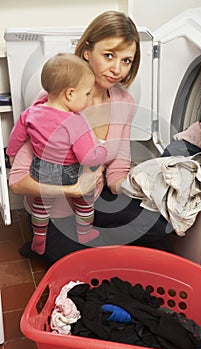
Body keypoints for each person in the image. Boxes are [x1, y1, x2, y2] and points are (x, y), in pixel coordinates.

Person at [8, 10, 175, 266]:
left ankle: (103, 246)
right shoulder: (54, 101)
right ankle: (47, 244)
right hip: (55, 206)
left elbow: (117, 166)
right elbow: (19, 178)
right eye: (109, 55)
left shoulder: (123, 103)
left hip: (93, 200)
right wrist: (74, 189)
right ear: (87, 51)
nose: (117, 69)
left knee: (159, 226)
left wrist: (142, 190)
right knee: (75, 260)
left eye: (127, 61)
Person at [7, 53, 107, 254]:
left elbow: (15, 138)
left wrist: (12, 154)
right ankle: (85, 231)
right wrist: (102, 152)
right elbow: (87, 157)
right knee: (84, 200)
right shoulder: (75, 122)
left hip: (42, 169)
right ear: (70, 94)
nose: (89, 99)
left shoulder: (31, 113)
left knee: (41, 205)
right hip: (69, 172)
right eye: (87, 94)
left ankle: (39, 239)